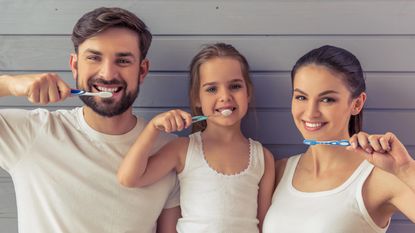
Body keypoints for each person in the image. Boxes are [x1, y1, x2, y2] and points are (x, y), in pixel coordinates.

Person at [0, 7, 180, 233]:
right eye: (94, 58)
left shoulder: (169, 152)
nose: (107, 73)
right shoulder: (32, 133)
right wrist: (10, 85)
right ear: (75, 66)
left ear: (142, 71)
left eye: (123, 61)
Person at [117, 43, 275, 233]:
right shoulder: (183, 149)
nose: (225, 96)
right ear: (197, 98)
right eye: (211, 89)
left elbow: (265, 225)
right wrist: (152, 128)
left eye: (235, 86)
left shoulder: (263, 158)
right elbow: (129, 178)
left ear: (248, 92)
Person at [262, 45, 415, 233]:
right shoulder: (278, 171)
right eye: (301, 97)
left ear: (357, 104)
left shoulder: (380, 177)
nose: (310, 113)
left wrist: (407, 169)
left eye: (327, 100)